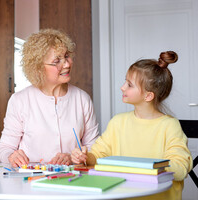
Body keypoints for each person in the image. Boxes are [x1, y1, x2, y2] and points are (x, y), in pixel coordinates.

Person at [71, 51, 192, 200]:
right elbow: (98, 155)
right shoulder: (118, 122)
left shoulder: (169, 126)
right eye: (125, 82)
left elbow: (180, 168)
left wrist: (142, 168)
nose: (122, 87)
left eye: (129, 84)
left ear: (148, 96)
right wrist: (85, 156)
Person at [0, 29, 99, 167]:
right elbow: (3, 148)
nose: (67, 64)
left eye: (67, 56)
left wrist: (75, 157)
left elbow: (94, 148)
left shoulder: (82, 99)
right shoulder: (20, 100)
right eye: (57, 61)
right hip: (30, 181)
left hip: (71, 179)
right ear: (38, 68)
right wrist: (11, 156)